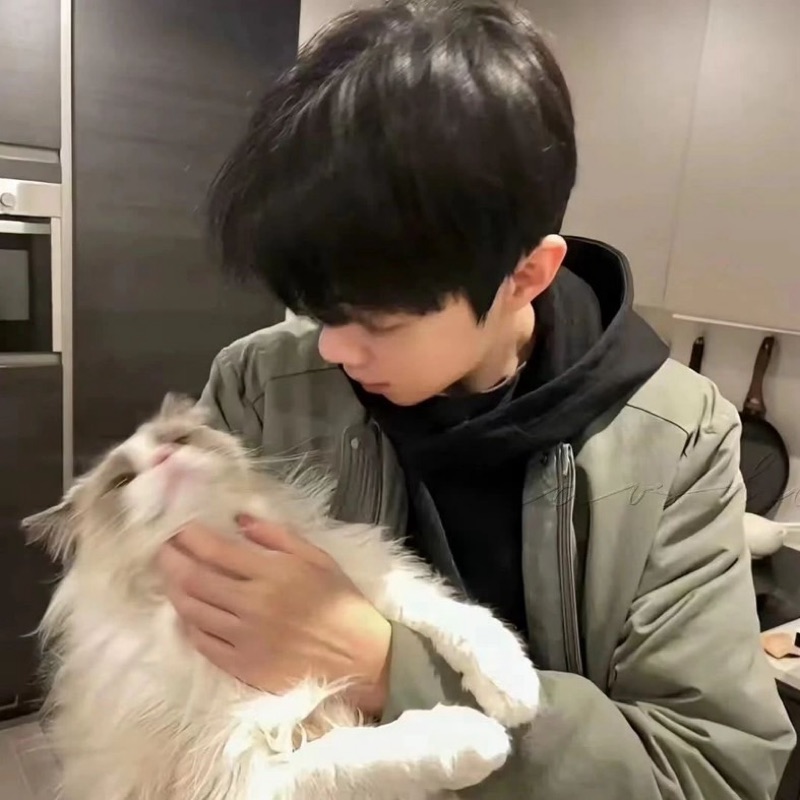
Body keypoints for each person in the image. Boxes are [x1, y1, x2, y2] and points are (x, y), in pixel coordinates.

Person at [155, 0, 796, 796]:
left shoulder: (676, 439)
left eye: (376, 321)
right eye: (316, 308)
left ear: (526, 274)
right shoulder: (260, 386)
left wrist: (386, 666)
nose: (330, 348)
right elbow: (169, 642)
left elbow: (710, 769)